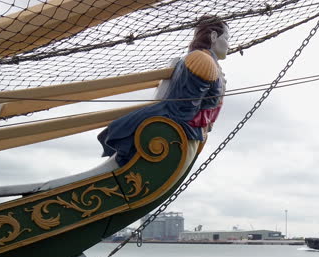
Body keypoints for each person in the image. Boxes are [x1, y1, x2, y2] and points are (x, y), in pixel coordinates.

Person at [98, 16, 229, 166]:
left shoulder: (202, 60)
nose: (228, 45)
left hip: (191, 133)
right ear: (213, 36)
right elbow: (186, 108)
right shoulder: (202, 61)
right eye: (226, 38)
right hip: (182, 132)